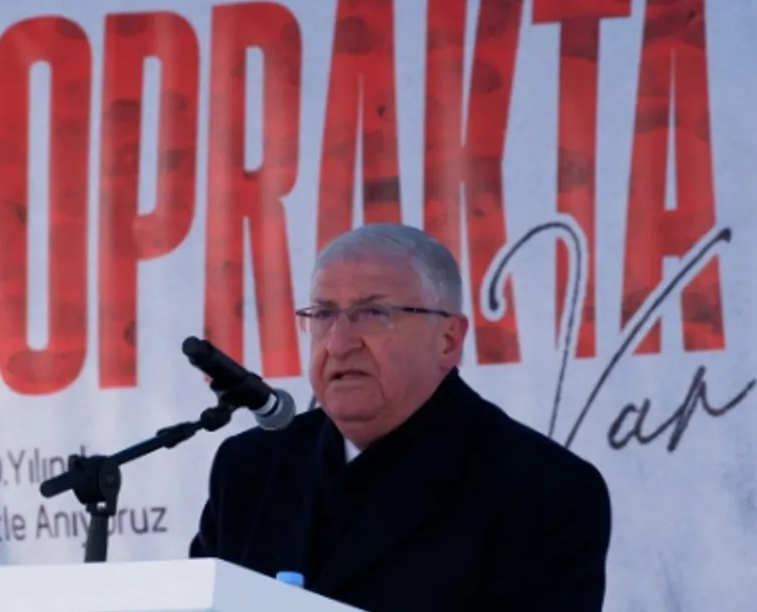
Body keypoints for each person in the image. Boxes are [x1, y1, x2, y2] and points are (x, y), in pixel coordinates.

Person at [188, 223, 612, 611]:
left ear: (448, 340)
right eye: (324, 314)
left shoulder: (543, 489)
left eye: (373, 314)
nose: (339, 343)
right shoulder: (249, 468)